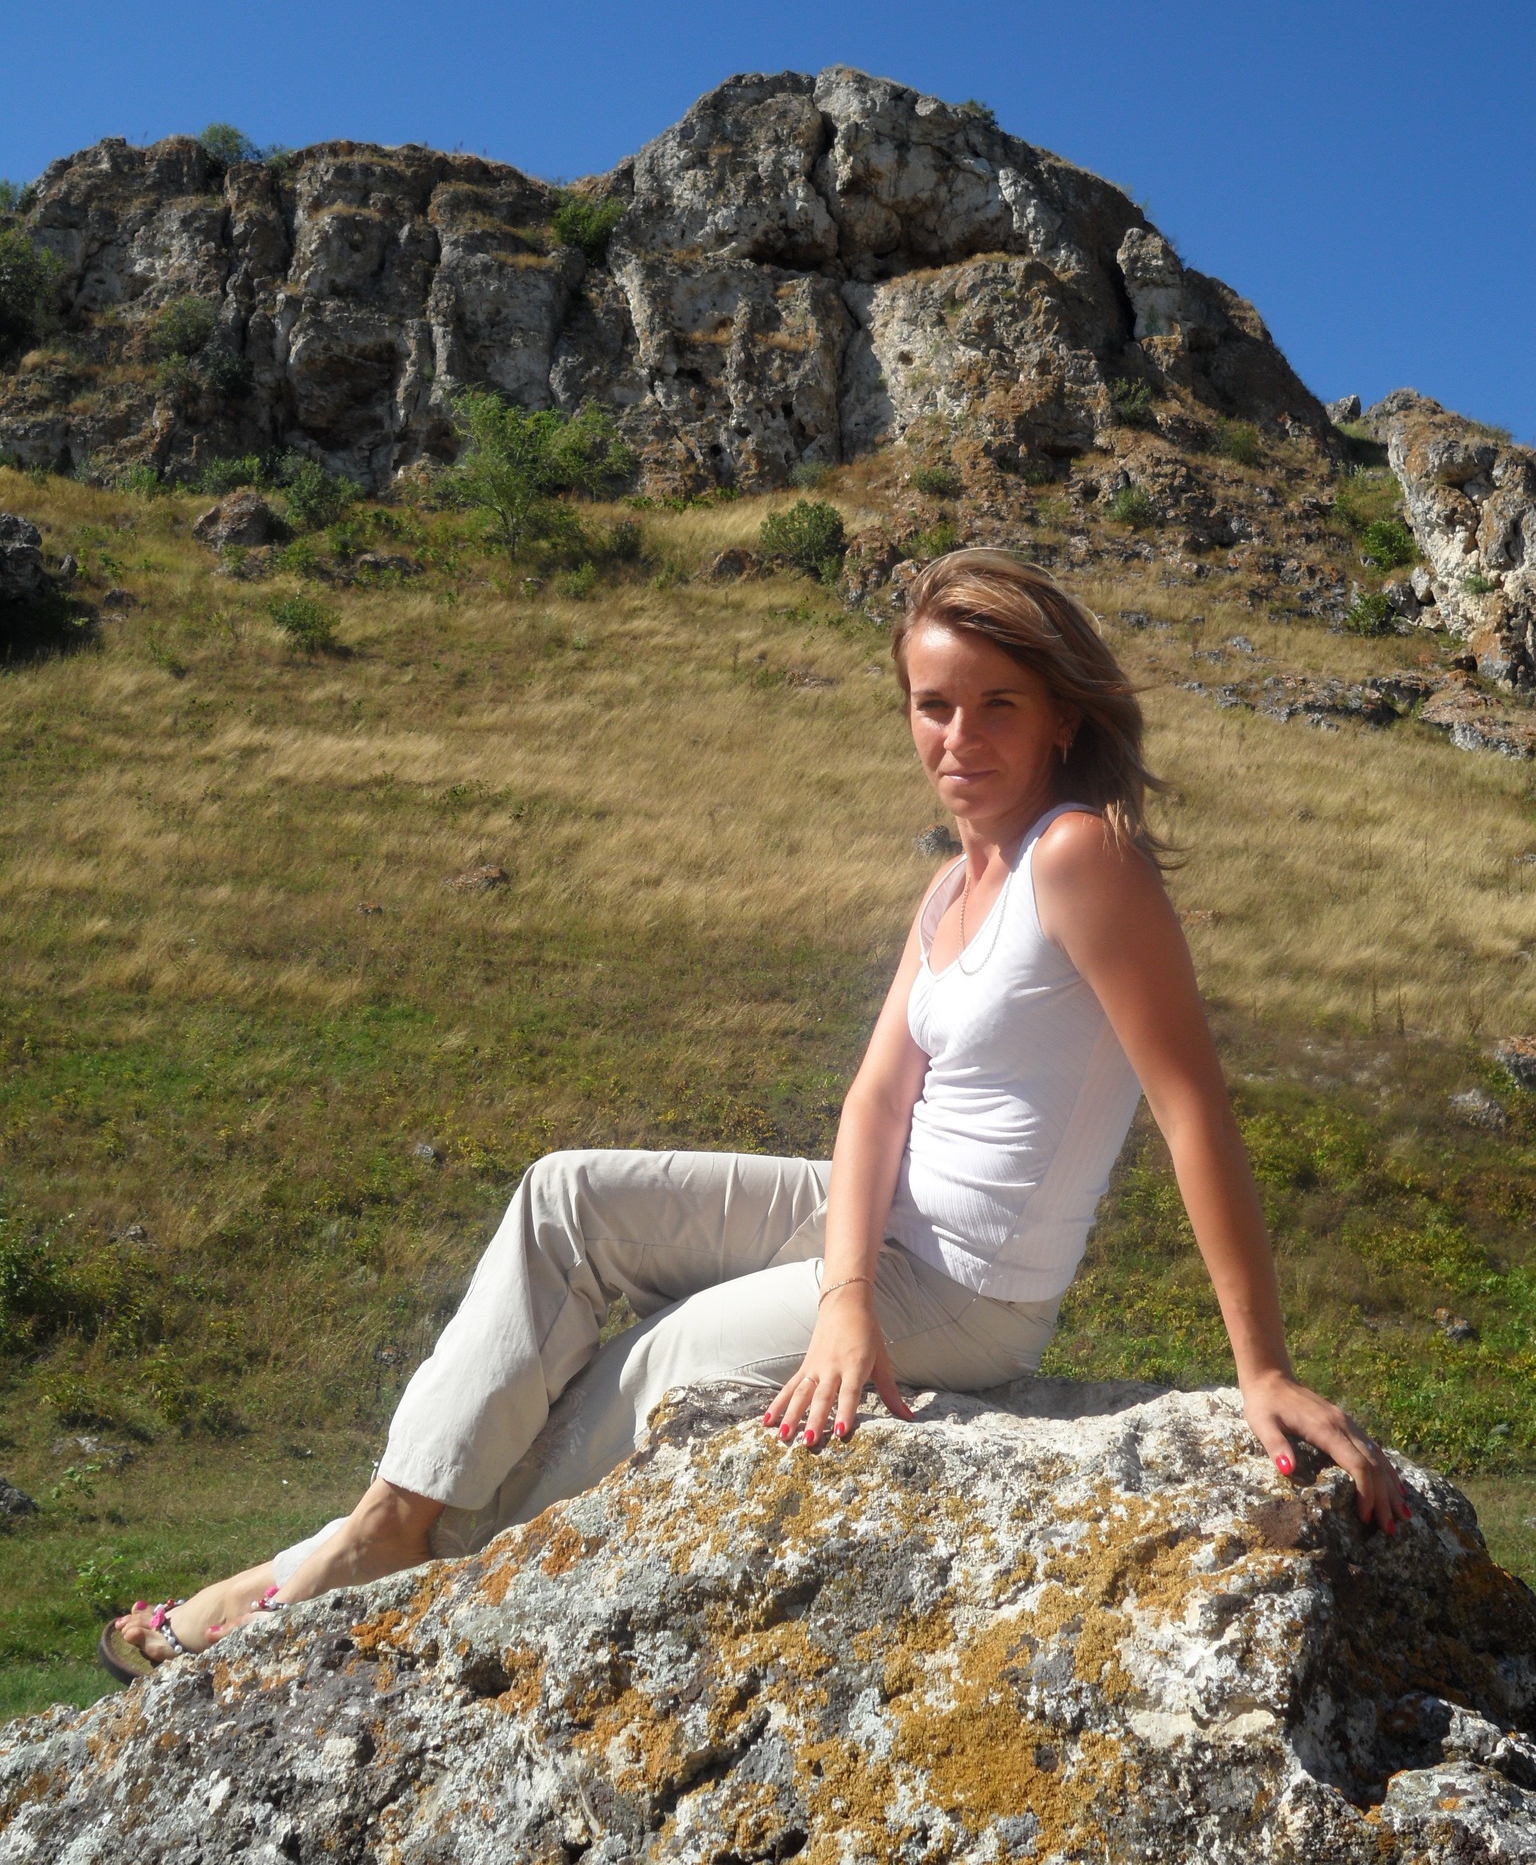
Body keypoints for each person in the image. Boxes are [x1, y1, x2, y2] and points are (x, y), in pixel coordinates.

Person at [102, 549, 1408, 1680]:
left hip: (968, 1288)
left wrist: (1262, 1368)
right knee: (567, 1196)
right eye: (933, 706)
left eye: (997, 704)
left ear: (1064, 714)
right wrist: (843, 1290)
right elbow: (877, 1097)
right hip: (879, 1233)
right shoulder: (956, 886)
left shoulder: (1080, 857)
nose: (959, 738)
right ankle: (384, 1522)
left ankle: (331, 1582)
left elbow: (1192, 1110)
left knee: (647, 1371)